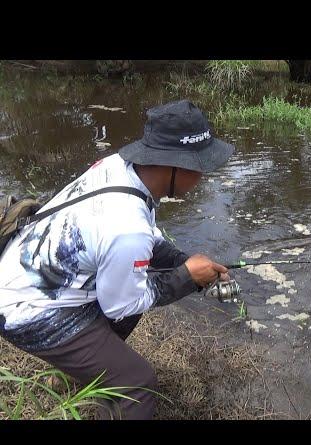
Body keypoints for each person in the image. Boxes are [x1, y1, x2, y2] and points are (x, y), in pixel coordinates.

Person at [0, 99, 234, 419]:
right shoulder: (126, 228)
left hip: (27, 275)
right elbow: (120, 305)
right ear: (172, 166)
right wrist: (187, 278)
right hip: (26, 311)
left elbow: (147, 240)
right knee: (138, 383)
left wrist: (182, 261)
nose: (201, 179)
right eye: (197, 169)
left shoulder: (120, 167)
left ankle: (84, 368)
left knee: (135, 287)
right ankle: (103, 377)